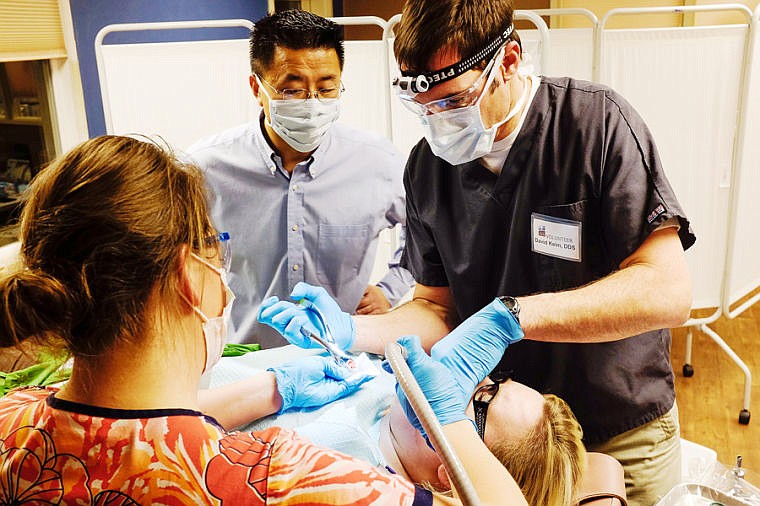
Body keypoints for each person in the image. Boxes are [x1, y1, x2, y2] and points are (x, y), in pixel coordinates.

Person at [258, 0, 697, 503]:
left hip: (616, 421)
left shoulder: (594, 125)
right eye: (423, 107)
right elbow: (436, 308)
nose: (437, 121)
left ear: (508, 62)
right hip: (502, 444)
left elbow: (668, 290)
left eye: (453, 101)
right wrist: (353, 331)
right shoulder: (429, 167)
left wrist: (513, 317)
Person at [0, 135, 525, 505]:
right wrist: (452, 423)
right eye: (218, 251)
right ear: (190, 274)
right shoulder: (279, 478)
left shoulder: (12, 427)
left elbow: (129, 429)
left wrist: (271, 390)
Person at [187, 10, 414, 349]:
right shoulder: (205, 168)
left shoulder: (377, 163)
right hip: (246, 358)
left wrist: (390, 288)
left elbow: (429, 234)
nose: (312, 103)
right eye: (292, 90)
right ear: (256, 87)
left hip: (344, 360)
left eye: (326, 88)